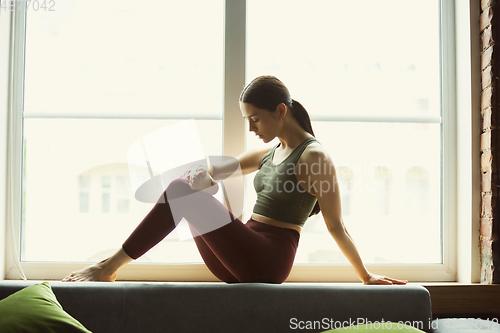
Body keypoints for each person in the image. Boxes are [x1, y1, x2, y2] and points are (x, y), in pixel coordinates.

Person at [63, 75, 407, 285]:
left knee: (184, 192)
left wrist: (366, 276)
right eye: (247, 120)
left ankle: (108, 267)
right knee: (187, 184)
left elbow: (337, 226)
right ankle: (109, 266)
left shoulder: (314, 157)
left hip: (268, 259)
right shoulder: (271, 153)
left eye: (254, 119)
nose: (250, 128)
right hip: (242, 256)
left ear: (280, 111)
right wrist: (204, 177)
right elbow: (221, 168)